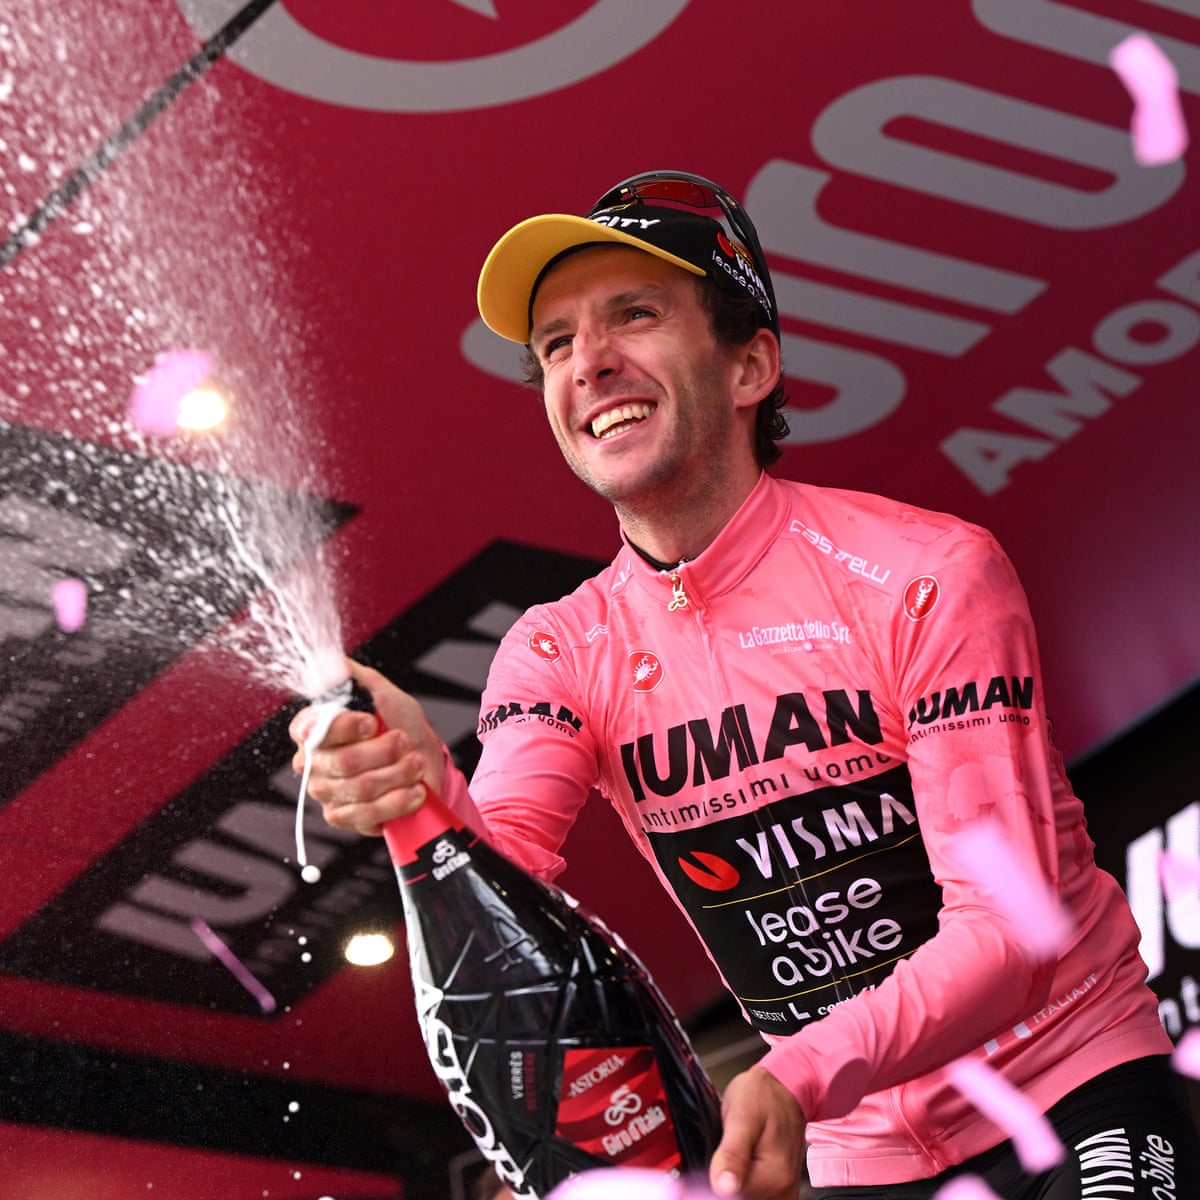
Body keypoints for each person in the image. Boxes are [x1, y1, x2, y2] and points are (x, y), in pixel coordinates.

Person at [291, 171, 1199, 1200]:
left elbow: (1009, 929)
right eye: (555, 344)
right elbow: (511, 906)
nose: (588, 362)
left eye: (633, 314)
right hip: (861, 1159)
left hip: (1068, 1087)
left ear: (750, 364)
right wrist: (422, 796)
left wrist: (790, 1074)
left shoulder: (929, 573)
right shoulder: (556, 650)